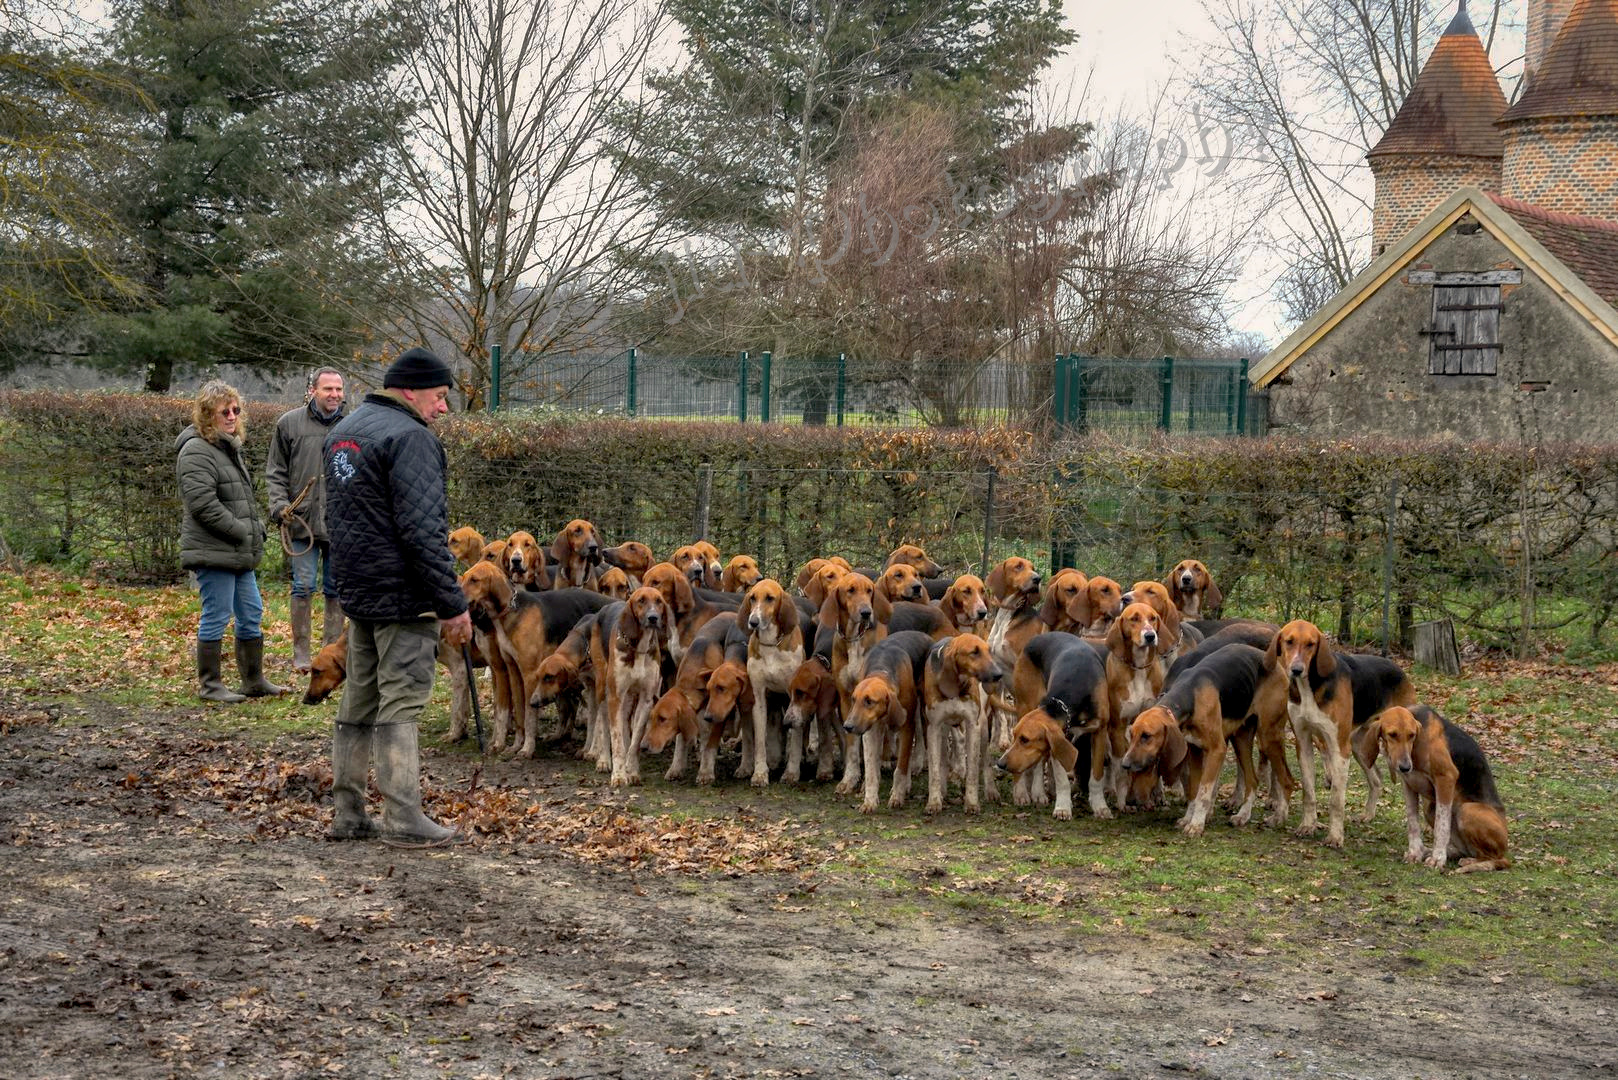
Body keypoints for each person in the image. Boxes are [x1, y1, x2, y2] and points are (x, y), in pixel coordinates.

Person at [322, 347, 474, 846]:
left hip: (358, 591)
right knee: (403, 704)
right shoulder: (410, 437)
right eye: (439, 396)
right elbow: (423, 532)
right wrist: (452, 603)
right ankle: (405, 818)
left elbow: (342, 520)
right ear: (411, 390)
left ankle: (348, 813)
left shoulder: (346, 430)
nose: (443, 407)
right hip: (405, 598)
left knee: (359, 698)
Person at [176, 381, 288, 703]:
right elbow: (202, 504)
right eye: (224, 411)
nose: (231, 415)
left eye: (235, 410)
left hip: (237, 552)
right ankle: (210, 686)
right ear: (207, 413)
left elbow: (240, 500)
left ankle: (253, 681)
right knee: (217, 614)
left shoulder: (228, 447)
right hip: (213, 551)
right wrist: (241, 530)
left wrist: (253, 531)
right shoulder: (196, 449)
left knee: (251, 612)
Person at [266, 366, 347, 672]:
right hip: (302, 521)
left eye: (339, 389)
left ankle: (330, 653)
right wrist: (279, 505)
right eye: (328, 389)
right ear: (313, 390)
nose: (335, 395)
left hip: (340, 523)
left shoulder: (353, 425)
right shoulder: (289, 424)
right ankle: (301, 654)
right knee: (302, 587)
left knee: (336, 590)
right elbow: (275, 471)